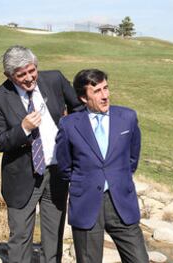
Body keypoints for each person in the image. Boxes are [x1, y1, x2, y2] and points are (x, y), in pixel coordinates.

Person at [0, 45, 82, 263]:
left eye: (32, 70)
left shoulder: (54, 79)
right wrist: (23, 129)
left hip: (57, 172)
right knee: (20, 236)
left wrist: (71, 129)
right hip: (21, 178)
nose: (29, 78)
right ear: (9, 76)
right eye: (21, 75)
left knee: (53, 234)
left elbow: (78, 108)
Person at [55, 69, 148, 263]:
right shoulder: (68, 125)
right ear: (82, 97)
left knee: (139, 259)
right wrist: (84, 182)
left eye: (106, 88)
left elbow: (133, 157)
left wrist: (118, 178)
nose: (105, 95)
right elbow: (64, 166)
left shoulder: (128, 118)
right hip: (86, 203)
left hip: (121, 201)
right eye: (97, 91)